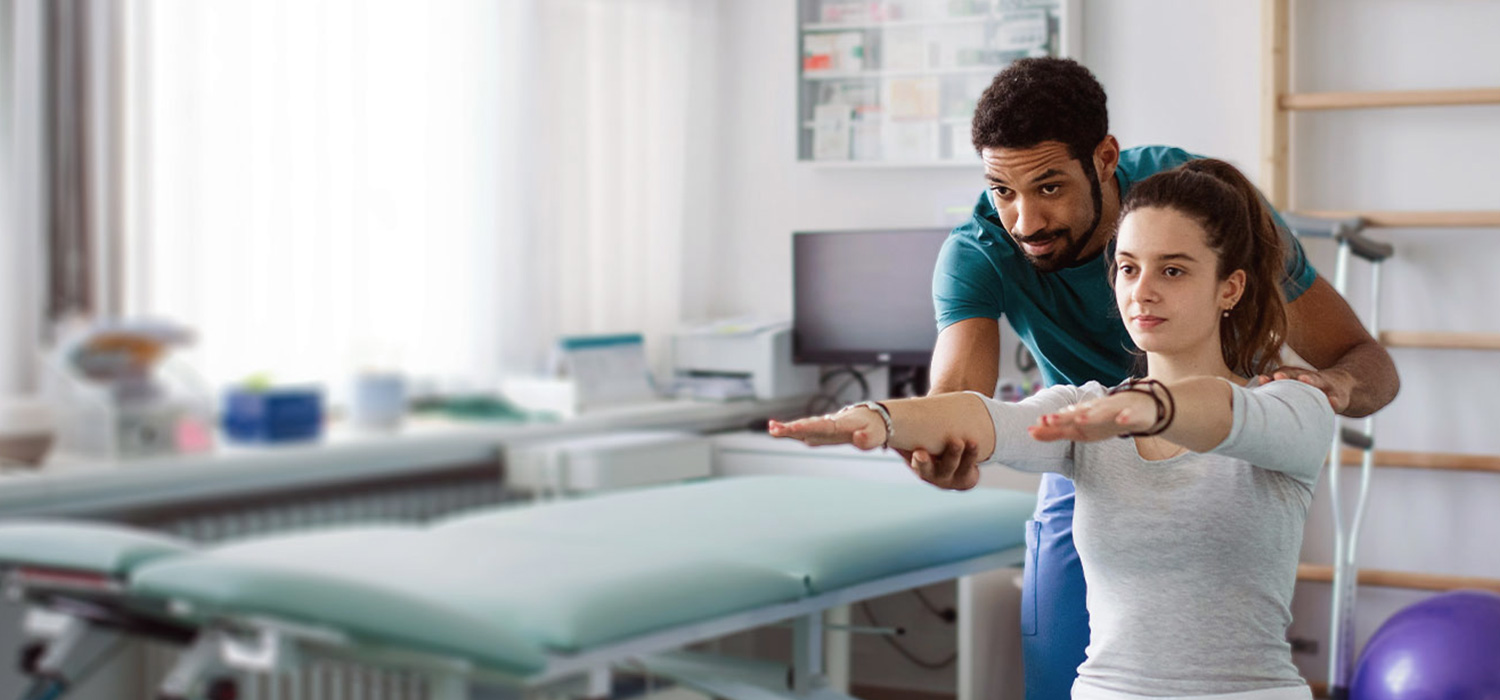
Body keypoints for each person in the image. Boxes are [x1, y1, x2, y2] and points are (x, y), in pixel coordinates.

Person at [906, 57, 1399, 698]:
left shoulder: (1198, 203)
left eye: (1050, 187)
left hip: (1228, 454)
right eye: (1004, 191)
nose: (1024, 222)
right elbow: (956, 404)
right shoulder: (980, 251)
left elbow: (1367, 362)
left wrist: (1336, 390)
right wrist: (943, 445)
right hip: (1088, 456)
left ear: (1105, 157)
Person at [771, 158, 1333, 700]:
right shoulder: (1086, 407)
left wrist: (1154, 407)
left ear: (1229, 288)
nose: (1143, 291)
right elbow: (987, 418)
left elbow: (1224, 413)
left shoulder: (1292, 407)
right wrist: (881, 418)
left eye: (1174, 270)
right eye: (1130, 268)